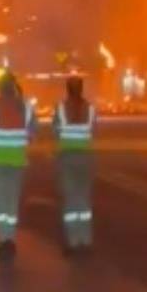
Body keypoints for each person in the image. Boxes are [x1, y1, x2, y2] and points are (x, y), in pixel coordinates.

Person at [0, 72, 36, 261]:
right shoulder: (25, 107)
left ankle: (1, 240)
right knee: (11, 201)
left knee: (0, 202)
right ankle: (10, 239)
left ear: (0, 89)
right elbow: (33, 131)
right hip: (17, 159)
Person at [53, 75, 95, 254]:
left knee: (71, 199)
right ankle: (86, 240)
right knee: (84, 198)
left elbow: (55, 129)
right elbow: (93, 128)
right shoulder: (90, 108)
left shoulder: (61, 109)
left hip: (68, 156)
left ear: (68, 89)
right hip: (85, 156)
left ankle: (73, 241)